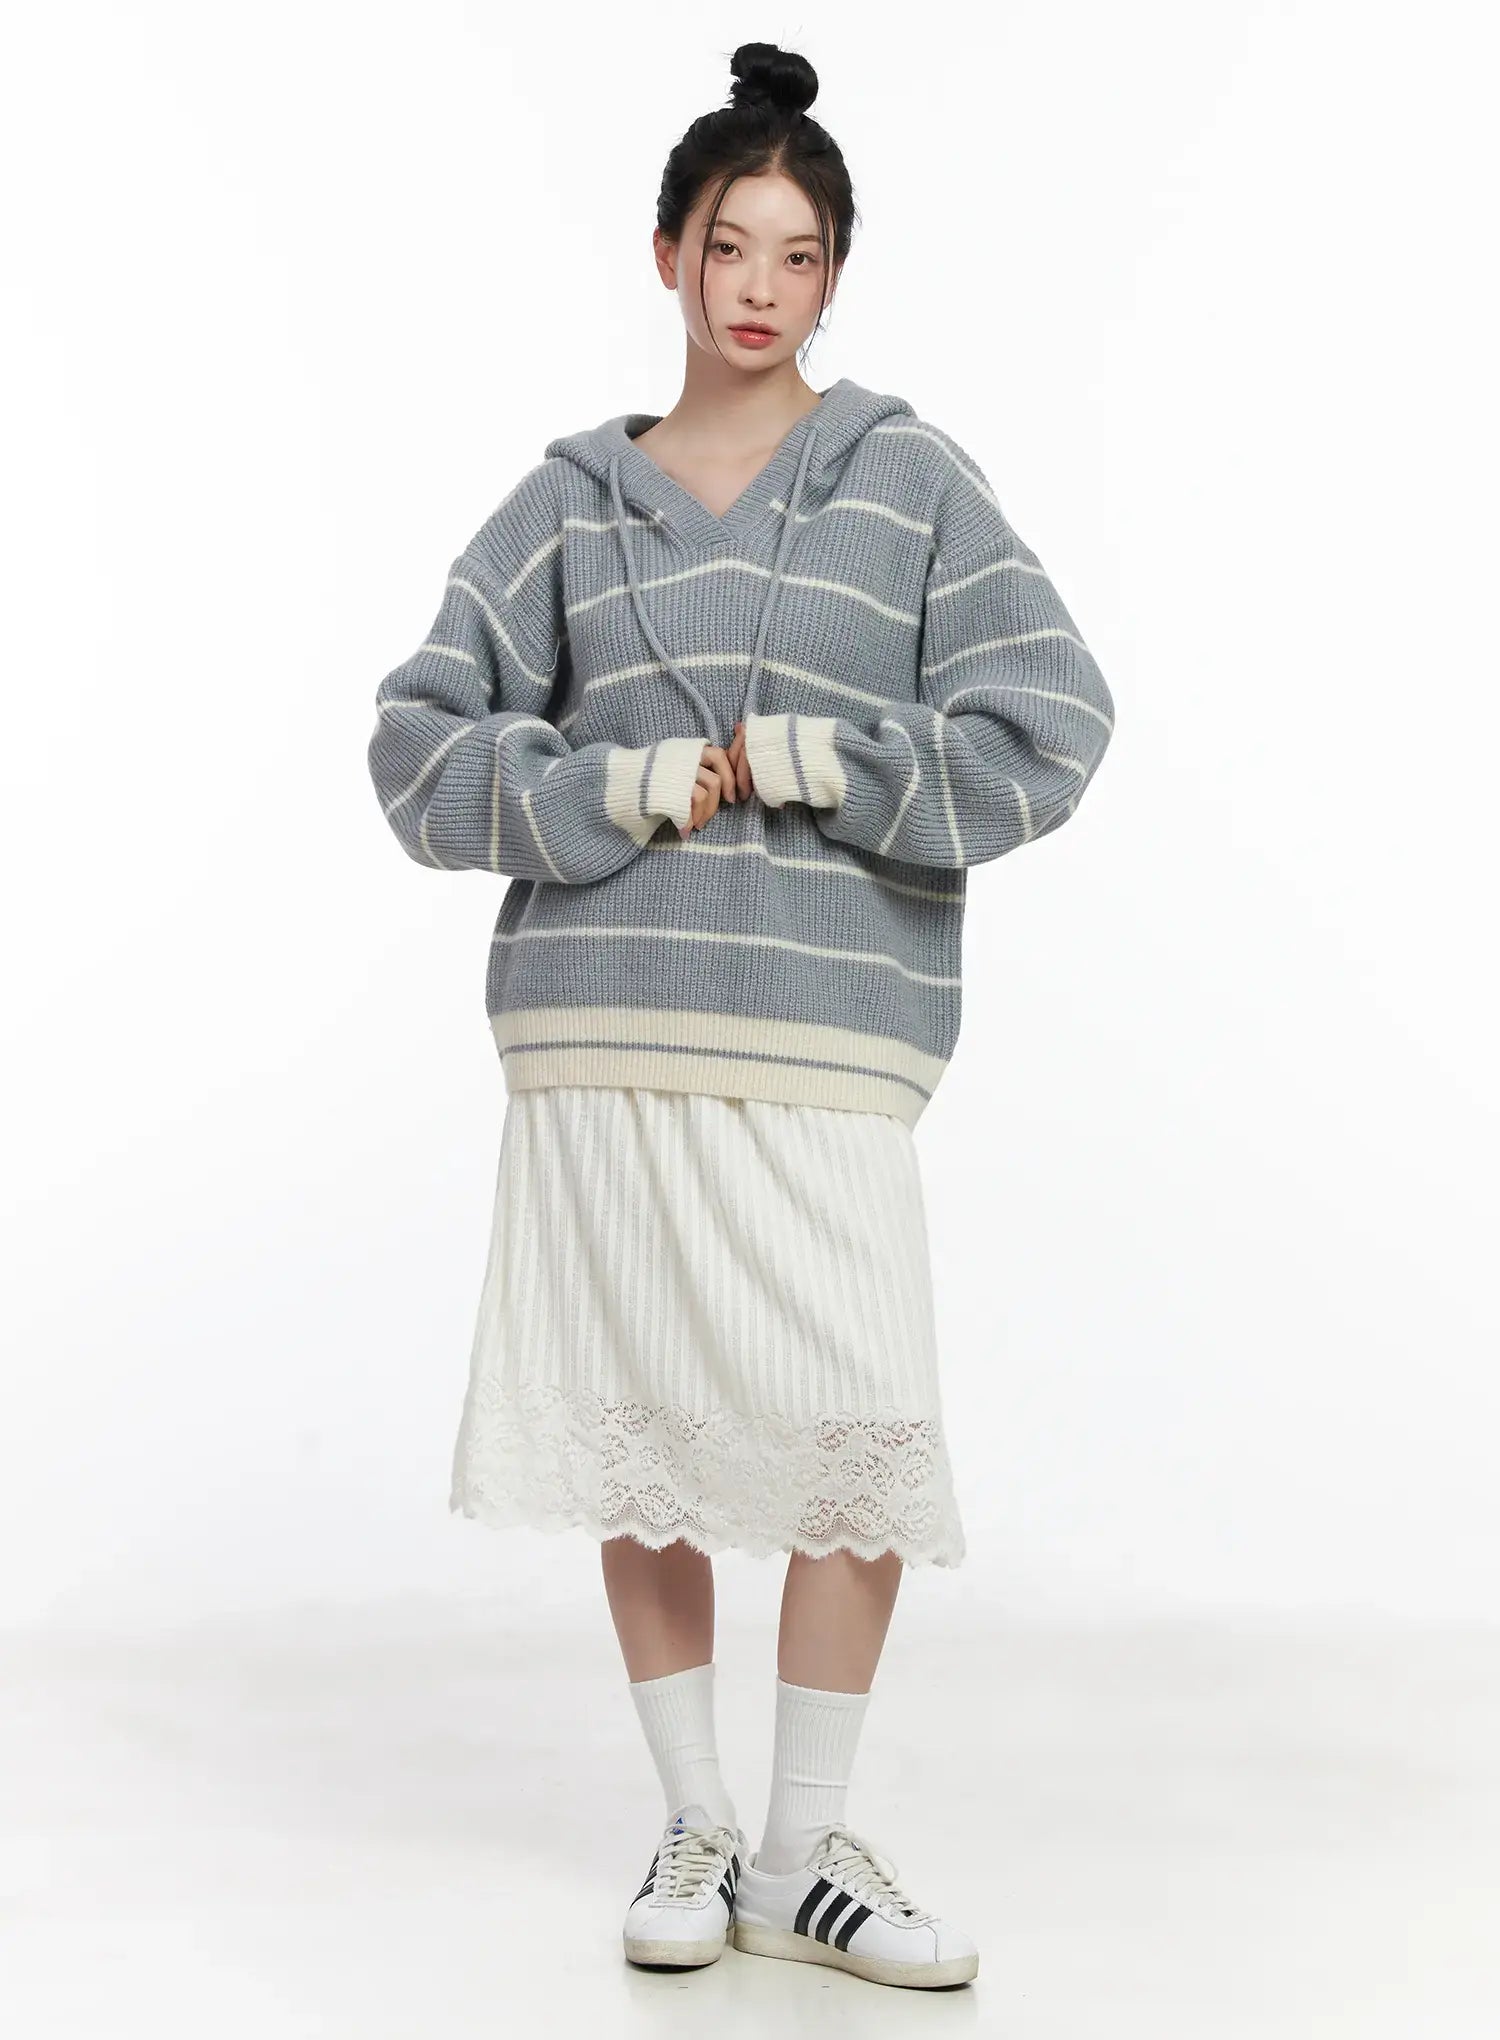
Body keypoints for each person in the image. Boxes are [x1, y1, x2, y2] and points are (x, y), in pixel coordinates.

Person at [365, 37, 1113, 1993]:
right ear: (669, 256)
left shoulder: (908, 482)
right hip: (603, 1031)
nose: (759, 285)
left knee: (857, 1430)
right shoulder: (568, 501)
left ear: (836, 275)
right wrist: (603, 791)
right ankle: (697, 1821)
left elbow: (1053, 724)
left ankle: (802, 1852)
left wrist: (823, 762)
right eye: (728, 243)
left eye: (797, 252)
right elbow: (414, 749)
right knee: (644, 1443)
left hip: (827, 1044)